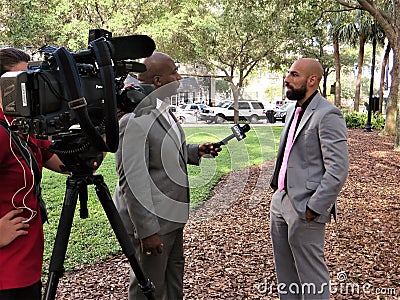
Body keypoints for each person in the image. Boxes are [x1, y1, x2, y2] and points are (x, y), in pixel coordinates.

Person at [113, 52, 220, 300]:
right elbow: (133, 181)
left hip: (172, 219)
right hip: (153, 225)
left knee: (173, 282)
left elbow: (163, 151)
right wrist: (147, 232)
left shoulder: (163, 109)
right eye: (174, 72)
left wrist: (194, 152)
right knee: (148, 289)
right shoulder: (134, 120)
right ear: (159, 81)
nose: (179, 76)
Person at [269, 58, 349, 299]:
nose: (287, 79)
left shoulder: (328, 114)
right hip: (281, 200)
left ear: (312, 80)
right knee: (286, 273)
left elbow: (338, 169)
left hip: (306, 206)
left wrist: (314, 207)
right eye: (288, 74)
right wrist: (277, 192)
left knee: (312, 277)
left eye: (294, 75)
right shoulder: (294, 108)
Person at [0, 47, 65, 300]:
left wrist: (103, 131)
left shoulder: (24, 124)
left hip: (26, 259)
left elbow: (61, 163)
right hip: (6, 273)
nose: (31, 88)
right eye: (22, 81)